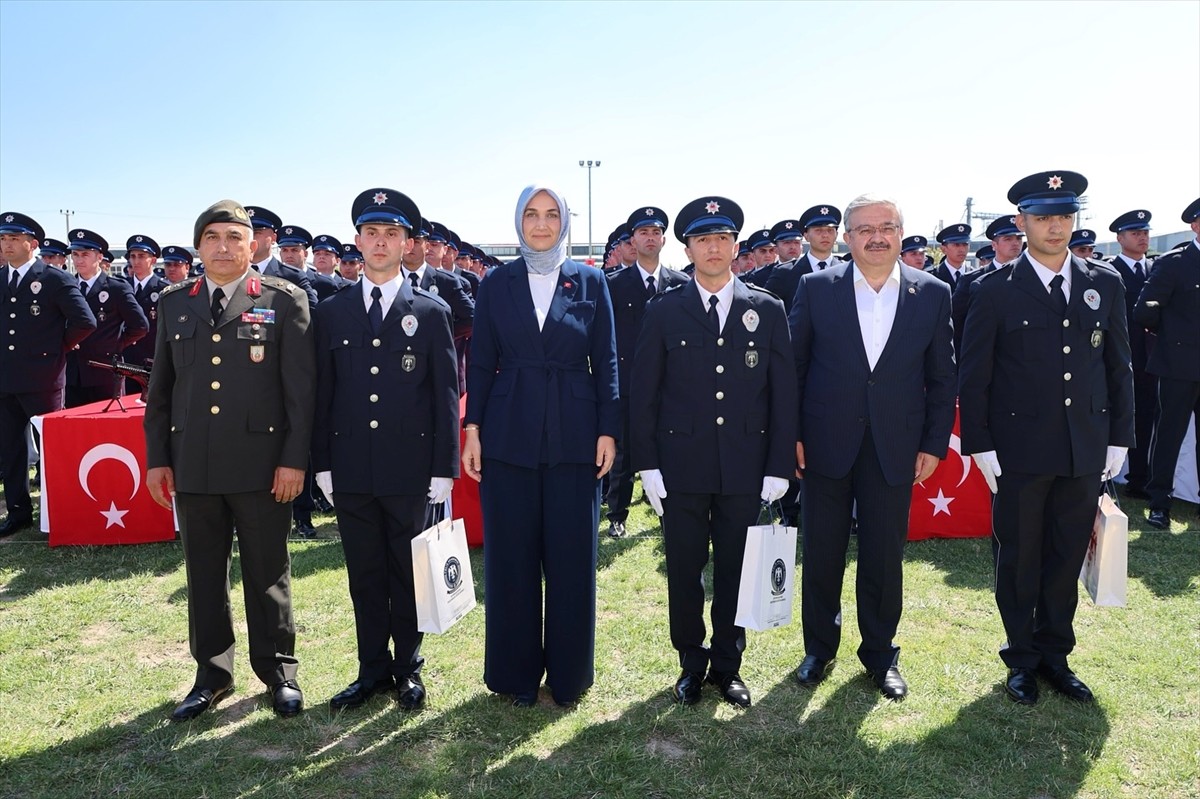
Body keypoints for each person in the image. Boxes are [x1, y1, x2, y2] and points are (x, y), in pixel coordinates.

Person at [959, 171, 1134, 705]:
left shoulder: (1103, 282)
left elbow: (1117, 365)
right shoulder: (991, 289)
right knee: (1018, 557)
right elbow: (976, 374)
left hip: (1085, 446)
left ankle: (1056, 655)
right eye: (1042, 218)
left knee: (1064, 556)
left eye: (1064, 216)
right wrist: (981, 445)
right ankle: (1021, 658)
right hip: (1018, 452)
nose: (1055, 227)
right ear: (1020, 223)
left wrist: (1119, 436)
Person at [144, 199, 316, 721]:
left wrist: (293, 460)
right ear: (199, 246)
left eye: (234, 238)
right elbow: (161, 390)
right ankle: (211, 675)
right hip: (194, 463)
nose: (223, 247)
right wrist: (158, 458)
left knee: (268, 572)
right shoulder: (175, 303)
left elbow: (300, 394)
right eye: (212, 237)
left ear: (252, 245)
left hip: (263, 466)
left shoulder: (285, 301)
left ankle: (278, 672)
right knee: (203, 574)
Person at [631, 196, 797, 708]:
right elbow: (643, 394)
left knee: (734, 569)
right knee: (684, 570)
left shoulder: (767, 308)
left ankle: (728, 665)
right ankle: (689, 662)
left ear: (736, 245)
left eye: (722, 239)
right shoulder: (665, 311)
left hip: (745, 467)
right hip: (680, 466)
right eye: (703, 239)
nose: (714, 248)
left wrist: (778, 467)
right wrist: (647, 465)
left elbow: (783, 392)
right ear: (689, 248)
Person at [789, 195, 956, 701]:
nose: (876, 236)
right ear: (847, 237)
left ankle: (880, 655)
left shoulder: (932, 293)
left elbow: (943, 377)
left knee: (884, 555)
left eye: (887, 227)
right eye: (864, 229)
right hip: (824, 444)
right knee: (822, 551)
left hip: (896, 446)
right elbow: (793, 368)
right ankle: (819, 648)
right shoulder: (816, 288)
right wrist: (792, 436)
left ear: (902, 234)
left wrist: (933, 443)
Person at [462, 184, 619, 708]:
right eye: (532, 214)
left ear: (565, 222)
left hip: (576, 434)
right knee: (511, 559)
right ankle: (516, 676)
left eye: (552, 214)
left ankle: (570, 676)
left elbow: (609, 361)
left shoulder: (592, 281)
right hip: (509, 433)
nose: (542, 223)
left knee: (573, 560)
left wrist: (608, 430)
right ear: (518, 221)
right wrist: (473, 428)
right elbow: (480, 360)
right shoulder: (496, 283)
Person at [313, 188, 460, 712]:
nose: (380, 243)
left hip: (410, 468)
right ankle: (371, 670)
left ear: (407, 244)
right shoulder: (331, 312)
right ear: (357, 242)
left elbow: (445, 395)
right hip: (351, 466)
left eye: (391, 234)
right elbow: (321, 394)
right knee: (365, 574)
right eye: (371, 234)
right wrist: (322, 463)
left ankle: (409, 670)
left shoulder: (430, 310)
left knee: (408, 572)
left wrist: (444, 469)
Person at [0, 212, 96, 537]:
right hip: (5, 380)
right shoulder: (0, 278)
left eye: (13, 238)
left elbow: (84, 322)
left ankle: (58, 510)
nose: (6, 244)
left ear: (32, 244)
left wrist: (55, 350)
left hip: (42, 380)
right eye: (3, 238)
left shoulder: (54, 279)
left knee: (52, 451)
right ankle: (18, 513)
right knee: (11, 450)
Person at [603, 206, 688, 539]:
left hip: (672, 384)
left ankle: (670, 514)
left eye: (655, 233)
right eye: (643, 233)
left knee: (671, 449)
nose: (650, 238)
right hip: (628, 382)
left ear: (663, 239)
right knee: (624, 452)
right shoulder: (613, 284)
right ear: (633, 240)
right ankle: (617, 514)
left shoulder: (681, 282)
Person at [1135, 198, 1200, 529]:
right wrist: (1175, 337)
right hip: (1177, 365)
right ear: (1195, 225)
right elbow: (1145, 311)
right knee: (1169, 435)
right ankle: (1159, 503)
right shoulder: (1175, 263)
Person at [65, 228, 148, 406]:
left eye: (85, 254)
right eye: (75, 254)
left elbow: (140, 326)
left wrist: (115, 343)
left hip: (105, 372)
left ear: (99, 257)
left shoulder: (116, 288)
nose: (79, 260)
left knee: (107, 429)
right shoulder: (66, 286)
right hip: (73, 373)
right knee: (74, 430)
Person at [1108, 209, 1157, 500]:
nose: (1143, 238)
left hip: (1153, 359)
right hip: (1120, 358)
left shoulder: (1157, 269)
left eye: (1146, 233)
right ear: (1120, 238)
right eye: (1136, 233)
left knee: (1149, 420)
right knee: (1119, 417)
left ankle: (1141, 479)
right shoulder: (1110, 271)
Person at [243, 205, 319, 310]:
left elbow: (312, 316)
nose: (251, 238)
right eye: (247, 233)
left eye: (257, 233)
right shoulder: (230, 272)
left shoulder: (293, 277)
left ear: (274, 238)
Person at [123, 235, 170, 389]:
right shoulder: (122, 287)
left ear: (153, 260)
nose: (136, 261)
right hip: (126, 360)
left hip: (152, 360)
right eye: (133, 256)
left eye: (142, 256)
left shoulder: (164, 290)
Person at [932, 223, 972, 290]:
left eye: (965, 244)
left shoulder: (976, 276)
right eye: (956, 245)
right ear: (943, 249)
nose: (962, 249)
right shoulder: (933, 277)